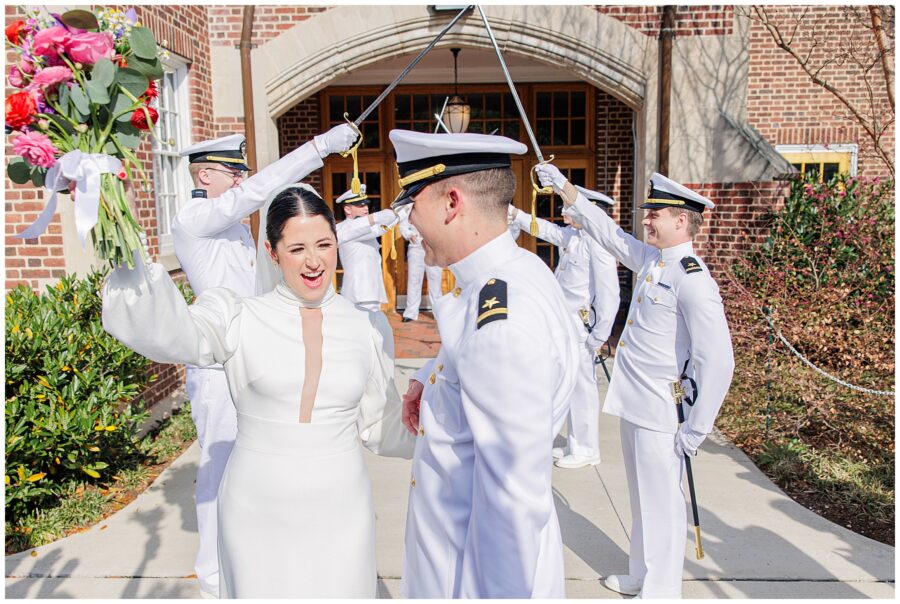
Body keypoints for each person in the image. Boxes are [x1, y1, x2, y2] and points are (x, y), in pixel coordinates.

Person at [102, 185, 414, 598]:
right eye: (297, 248)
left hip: (342, 505)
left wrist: (433, 412)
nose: (314, 260)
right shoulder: (236, 315)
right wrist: (127, 257)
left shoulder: (368, 327)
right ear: (272, 252)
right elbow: (171, 332)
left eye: (324, 244)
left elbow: (380, 424)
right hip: (256, 505)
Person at [169, 125, 357, 598]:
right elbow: (256, 194)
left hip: (249, 357)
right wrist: (318, 148)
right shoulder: (194, 218)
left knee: (250, 465)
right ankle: (213, 576)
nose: (242, 181)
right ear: (206, 173)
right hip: (215, 364)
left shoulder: (230, 228)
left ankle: (246, 555)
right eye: (235, 173)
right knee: (219, 467)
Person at [392, 130, 581, 598]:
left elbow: (512, 506)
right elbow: (469, 353)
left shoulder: (501, 322)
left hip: (472, 581)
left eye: (412, 204)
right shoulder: (512, 274)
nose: (408, 224)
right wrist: (428, 378)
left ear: (451, 202)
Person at [536, 164, 735, 599]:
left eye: (655, 214)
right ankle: (642, 573)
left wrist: (697, 428)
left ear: (681, 220)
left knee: (663, 504)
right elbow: (607, 234)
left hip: (664, 412)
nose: (646, 220)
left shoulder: (692, 279)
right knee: (643, 500)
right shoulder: (652, 260)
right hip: (636, 403)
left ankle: (663, 590)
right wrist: (567, 191)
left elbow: (718, 361)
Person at [509, 186, 620, 469]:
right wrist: (515, 214)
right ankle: (575, 442)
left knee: (583, 387)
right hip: (566, 321)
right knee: (569, 383)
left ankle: (586, 449)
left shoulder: (598, 243)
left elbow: (609, 293)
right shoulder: (575, 237)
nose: (562, 211)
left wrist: (599, 335)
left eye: (569, 207)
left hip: (582, 325)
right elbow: (545, 230)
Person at [332, 184, 400, 312]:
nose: (366, 208)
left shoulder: (365, 228)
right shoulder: (345, 228)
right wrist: (376, 217)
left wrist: (400, 211)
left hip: (370, 291)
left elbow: (380, 228)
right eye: (360, 205)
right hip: (360, 291)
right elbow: (359, 228)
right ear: (347, 209)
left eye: (366, 204)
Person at [398, 205, 444, 322]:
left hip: (433, 246)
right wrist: (410, 235)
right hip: (416, 246)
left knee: (435, 280)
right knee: (414, 279)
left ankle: (438, 312)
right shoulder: (409, 207)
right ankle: (411, 312)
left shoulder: (436, 204)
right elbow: (403, 225)